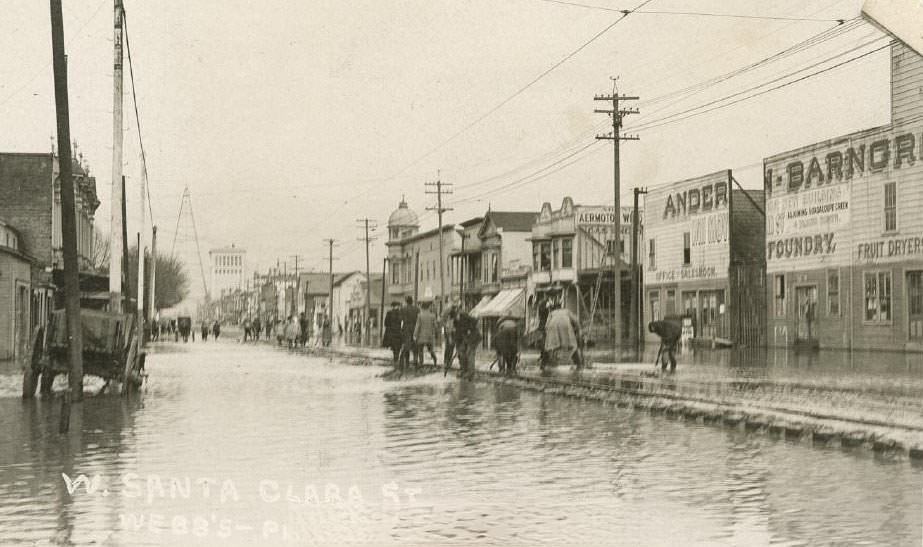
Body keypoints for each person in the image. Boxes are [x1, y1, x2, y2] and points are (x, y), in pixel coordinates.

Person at [454, 310, 481, 379]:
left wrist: (462, 343)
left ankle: (470, 373)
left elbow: (464, 335)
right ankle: (465, 371)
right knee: (463, 354)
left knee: (469, 354)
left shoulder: (463, 323)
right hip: (469, 339)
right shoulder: (465, 322)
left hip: (472, 339)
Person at [413, 301, 438, 367]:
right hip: (430, 335)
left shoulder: (420, 315)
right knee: (431, 350)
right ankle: (435, 360)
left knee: (420, 350)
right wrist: (435, 333)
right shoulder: (433, 315)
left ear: (422, 307)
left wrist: (415, 335)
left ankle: (421, 363)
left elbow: (417, 326)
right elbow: (435, 326)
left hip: (421, 335)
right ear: (428, 307)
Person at [399, 296, 419, 371]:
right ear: (412, 301)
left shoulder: (403, 309)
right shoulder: (417, 309)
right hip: (414, 328)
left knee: (406, 347)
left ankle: (405, 363)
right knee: (415, 347)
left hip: (406, 328)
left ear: (406, 301)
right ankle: (415, 363)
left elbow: (400, 319)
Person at [441, 302, 458, 372]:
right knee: (449, 348)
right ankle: (447, 362)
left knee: (449, 348)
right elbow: (449, 330)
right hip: (450, 334)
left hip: (450, 334)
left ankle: (447, 362)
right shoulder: (451, 319)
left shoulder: (450, 318)